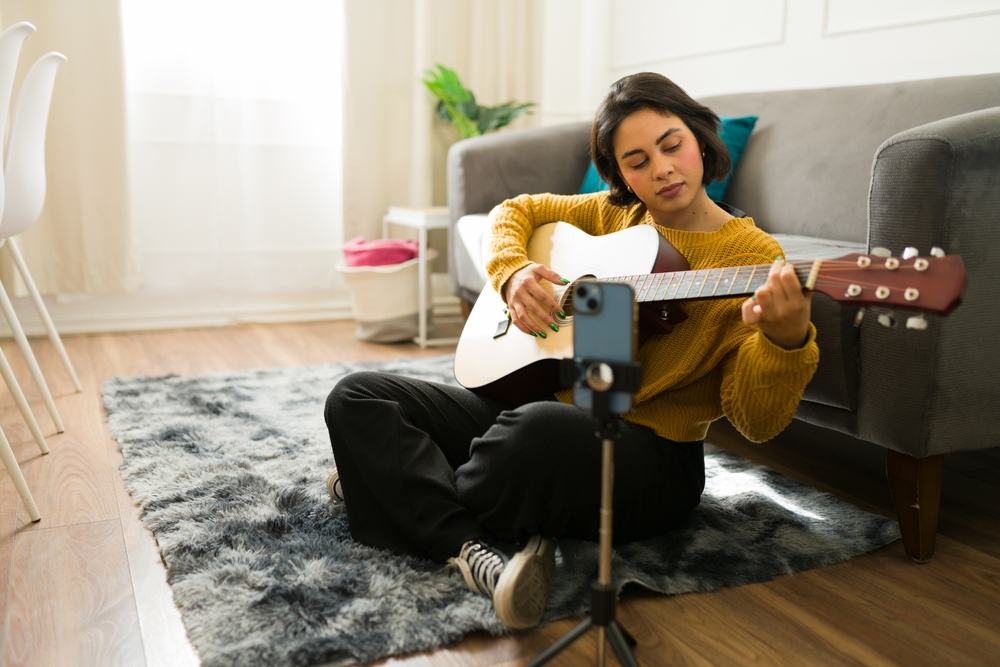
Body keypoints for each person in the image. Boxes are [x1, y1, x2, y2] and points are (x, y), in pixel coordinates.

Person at [324, 72, 819, 630]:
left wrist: (784, 340)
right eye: (635, 161)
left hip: (650, 458)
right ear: (621, 175)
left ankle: (394, 488)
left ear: (701, 138)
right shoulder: (615, 216)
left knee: (530, 435)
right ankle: (468, 542)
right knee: (357, 397)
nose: (660, 169)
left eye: (671, 144)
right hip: (556, 412)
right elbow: (515, 211)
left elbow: (757, 420)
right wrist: (513, 275)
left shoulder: (753, 256)